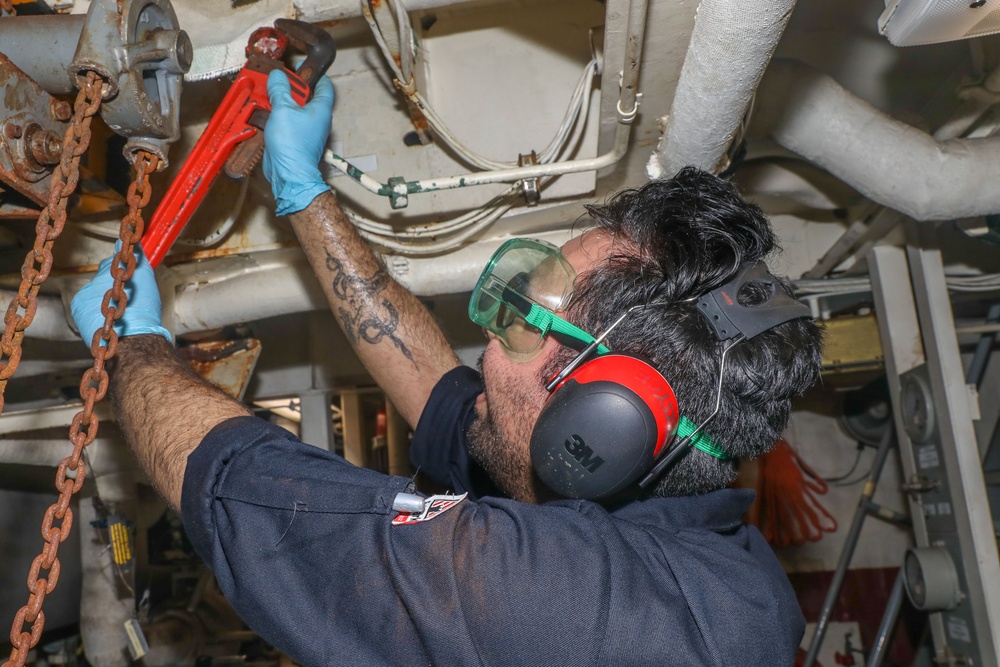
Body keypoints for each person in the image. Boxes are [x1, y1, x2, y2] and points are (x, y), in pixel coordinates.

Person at [71, 70, 824, 666]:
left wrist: (132, 340)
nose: (490, 347)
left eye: (529, 327)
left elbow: (248, 495)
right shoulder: (718, 566)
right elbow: (439, 393)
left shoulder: (576, 611)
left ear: (606, 418)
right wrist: (303, 192)